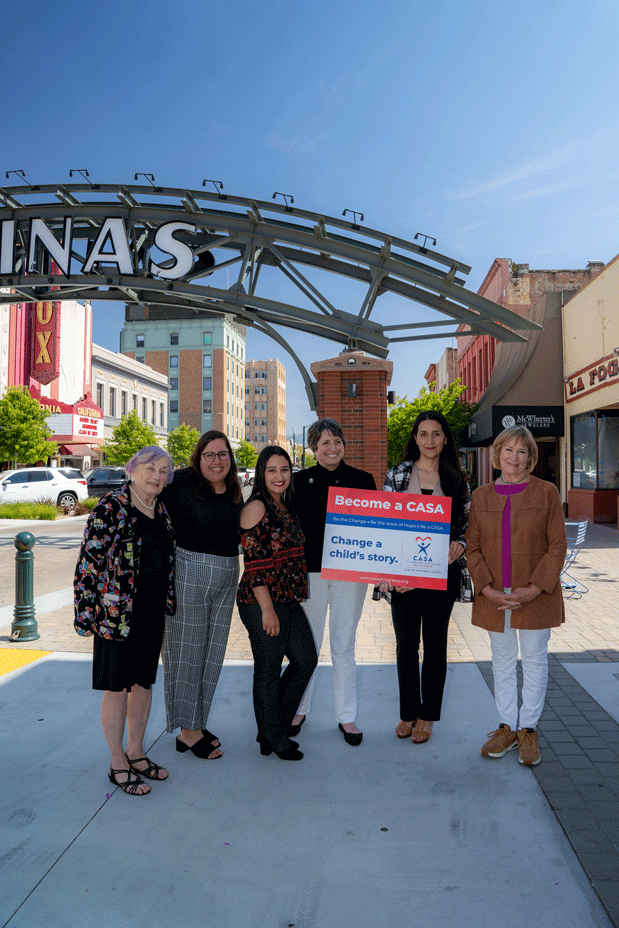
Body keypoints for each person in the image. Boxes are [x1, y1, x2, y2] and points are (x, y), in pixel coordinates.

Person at [74, 446, 175, 796]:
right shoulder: (112, 507)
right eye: (150, 468)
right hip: (116, 616)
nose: (156, 476)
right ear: (132, 470)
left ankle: (136, 752)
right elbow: (89, 563)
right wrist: (85, 614)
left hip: (151, 614)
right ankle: (118, 761)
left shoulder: (160, 509)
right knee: (116, 687)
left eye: (163, 471)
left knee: (142, 685)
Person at [466, 425, 567, 766]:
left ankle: (529, 729)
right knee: (503, 661)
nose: (514, 458)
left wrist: (535, 588)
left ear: (530, 457)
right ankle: (507, 725)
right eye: (507, 450)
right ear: (497, 455)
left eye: (521, 451)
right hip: (496, 595)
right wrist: (488, 589)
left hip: (534, 593)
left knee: (536, 660)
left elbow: (557, 546)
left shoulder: (547, 492)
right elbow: (474, 548)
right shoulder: (480, 496)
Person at [376, 411, 471, 745]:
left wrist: (460, 544)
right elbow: (385, 527)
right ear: (414, 438)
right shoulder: (398, 475)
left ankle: (428, 716)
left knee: (435, 647)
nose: (430, 440)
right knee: (405, 648)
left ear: (445, 438)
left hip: (440, 577)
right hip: (403, 578)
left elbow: (465, 526)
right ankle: (407, 712)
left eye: (437, 433)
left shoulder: (458, 479)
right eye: (423, 433)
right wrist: (388, 571)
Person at [291, 419, 376, 746]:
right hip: (309, 575)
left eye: (337, 441)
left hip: (349, 576)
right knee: (307, 646)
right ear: (313, 448)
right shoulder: (297, 482)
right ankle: (299, 708)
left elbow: (376, 530)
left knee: (344, 644)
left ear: (344, 444)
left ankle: (347, 716)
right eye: (324, 443)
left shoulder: (362, 480)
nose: (332, 448)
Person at [161, 430, 243, 760]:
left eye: (223, 454)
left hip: (226, 576)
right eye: (209, 454)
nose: (217, 460)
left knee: (211, 653)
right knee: (187, 654)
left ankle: (195, 723)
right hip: (189, 574)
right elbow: (146, 498)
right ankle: (188, 731)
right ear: (199, 457)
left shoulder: (234, 490)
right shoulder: (180, 482)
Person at [237, 446, 317, 760]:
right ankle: (273, 737)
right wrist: (267, 610)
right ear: (261, 473)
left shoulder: (285, 504)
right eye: (272, 470)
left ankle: (272, 729)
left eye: (284, 469)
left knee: (305, 660)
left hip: (288, 598)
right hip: (262, 601)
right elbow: (254, 565)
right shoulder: (256, 507)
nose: (279, 476)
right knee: (268, 670)